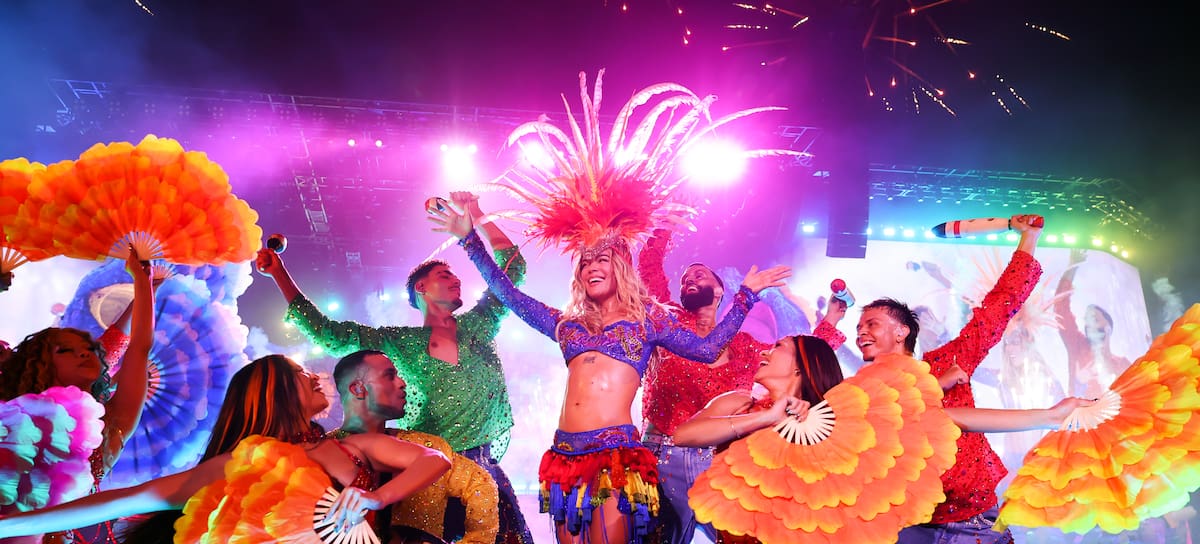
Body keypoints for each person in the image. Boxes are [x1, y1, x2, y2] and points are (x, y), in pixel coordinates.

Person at [430, 203, 790, 544]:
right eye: (584, 263)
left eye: (601, 259)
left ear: (619, 267)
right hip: (563, 457)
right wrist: (469, 239)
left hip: (614, 455)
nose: (590, 268)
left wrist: (745, 297)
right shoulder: (566, 325)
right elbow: (508, 295)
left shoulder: (647, 321)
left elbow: (708, 348)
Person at [257, 191, 535, 544]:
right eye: (445, 274)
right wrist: (279, 273)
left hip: (484, 473)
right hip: (425, 472)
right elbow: (329, 334)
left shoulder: (480, 322)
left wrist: (477, 217)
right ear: (421, 287)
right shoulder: (399, 342)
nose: (457, 279)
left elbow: (514, 268)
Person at [0, 354, 452, 542]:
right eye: (300, 374)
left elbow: (434, 459)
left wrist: (376, 497)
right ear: (275, 392)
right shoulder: (238, 465)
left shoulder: (353, 446)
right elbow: (121, 500)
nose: (315, 377)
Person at [854, 214, 1091, 543]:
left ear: (901, 331)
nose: (862, 333)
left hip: (973, 523)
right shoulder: (862, 392)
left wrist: (1029, 237)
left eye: (872, 324)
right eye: (858, 328)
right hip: (905, 525)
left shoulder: (945, 361)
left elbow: (998, 307)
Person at [636, 229, 845, 544]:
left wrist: (831, 321)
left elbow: (796, 360)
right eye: (684, 279)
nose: (689, 278)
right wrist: (664, 228)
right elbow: (650, 271)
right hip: (660, 453)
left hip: (720, 460)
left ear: (720, 290)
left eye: (700, 274)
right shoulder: (667, 326)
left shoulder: (745, 346)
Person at [0, 250, 154, 544]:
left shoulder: (111, 424)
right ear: (39, 363)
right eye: (64, 350)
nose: (83, 352)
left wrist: (143, 282)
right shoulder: (10, 417)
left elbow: (139, 349)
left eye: (88, 348)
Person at [328, 349, 501, 544]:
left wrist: (476, 540)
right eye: (390, 376)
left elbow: (481, 484)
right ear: (358, 389)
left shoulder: (428, 446)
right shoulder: (324, 451)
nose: (402, 383)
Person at [1056, 249, 1131, 398]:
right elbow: (1060, 307)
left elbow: (1136, 398)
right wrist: (1073, 266)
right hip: (1080, 418)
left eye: (1095, 319)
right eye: (1087, 320)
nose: (1089, 324)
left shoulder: (1122, 364)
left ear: (1108, 328)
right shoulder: (1077, 345)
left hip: (1115, 420)